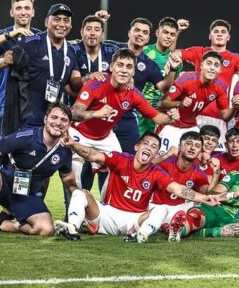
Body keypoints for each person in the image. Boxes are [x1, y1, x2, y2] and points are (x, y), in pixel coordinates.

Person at [56, 132, 220, 242]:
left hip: (135, 221)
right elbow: (92, 155)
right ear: (137, 147)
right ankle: (72, 229)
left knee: (161, 209)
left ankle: (141, 235)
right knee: (80, 194)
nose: (149, 147)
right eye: (146, 144)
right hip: (107, 215)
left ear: (156, 154)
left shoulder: (156, 172)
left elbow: (178, 189)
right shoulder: (120, 159)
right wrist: (73, 145)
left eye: (154, 147)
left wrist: (205, 198)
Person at [0, 103, 77, 237]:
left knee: (47, 229)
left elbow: (68, 180)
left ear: (69, 124)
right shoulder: (27, 136)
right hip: (3, 185)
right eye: (54, 117)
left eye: (63, 120)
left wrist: (82, 198)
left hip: (27, 195)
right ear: (45, 119)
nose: (58, 122)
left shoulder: (65, 150)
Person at [69, 49, 177, 190]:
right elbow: (74, 113)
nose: (124, 70)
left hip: (105, 137)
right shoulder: (95, 83)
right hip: (79, 133)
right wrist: (96, 113)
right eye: (120, 65)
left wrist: (172, 117)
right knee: (75, 172)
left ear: (133, 72)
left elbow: (158, 118)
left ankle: (104, 208)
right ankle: (73, 211)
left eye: (129, 67)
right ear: (111, 67)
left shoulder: (132, 93)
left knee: (120, 170)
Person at [0, 3, 82, 133]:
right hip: (26, 119)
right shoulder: (31, 42)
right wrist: (4, 60)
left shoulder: (71, 51)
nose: (62, 24)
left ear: (70, 25)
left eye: (66, 20)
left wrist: (90, 82)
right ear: (47, 22)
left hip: (52, 122)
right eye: (57, 19)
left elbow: (71, 85)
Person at [107, 18, 180, 153]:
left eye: (145, 32)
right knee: (93, 161)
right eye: (137, 30)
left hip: (127, 115)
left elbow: (164, 88)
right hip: (103, 111)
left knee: (129, 158)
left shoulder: (149, 64)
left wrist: (173, 70)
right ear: (129, 33)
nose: (140, 34)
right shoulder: (110, 49)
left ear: (147, 39)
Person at [168, 152, 239, 239]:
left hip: (235, 223)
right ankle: (178, 231)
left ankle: (201, 232)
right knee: (197, 216)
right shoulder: (236, 176)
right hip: (215, 211)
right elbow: (212, 195)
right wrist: (233, 194)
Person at [0, 0, 42, 138]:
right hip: (6, 103)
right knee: (2, 151)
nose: (23, 12)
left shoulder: (40, 37)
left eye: (27, 8)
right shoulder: (3, 35)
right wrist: (11, 34)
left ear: (33, 12)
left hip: (33, 104)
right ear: (11, 12)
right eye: (18, 8)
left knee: (30, 154)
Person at [158, 51, 233, 156]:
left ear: (220, 69)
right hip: (171, 125)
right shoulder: (187, 79)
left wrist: (238, 105)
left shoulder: (220, 87)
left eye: (216, 65)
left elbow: (225, 116)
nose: (212, 67)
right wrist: (180, 104)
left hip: (191, 127)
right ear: (201, 65)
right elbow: (161, 103)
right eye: (209, 63)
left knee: (196, 161)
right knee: (163, 161)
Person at [150, 131, 215, 238]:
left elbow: (208, 194)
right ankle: (168, 227)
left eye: (197, 146)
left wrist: (215, 172)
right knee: (157, 213)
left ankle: (173, 227)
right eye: (189, 143)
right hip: (156, 207)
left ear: (200, 151)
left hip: (178, 211)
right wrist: (166, 155)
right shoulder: (165, 162)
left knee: (204, 205)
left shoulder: (198, 173)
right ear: (180, 146)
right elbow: (144, 166)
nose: (193, 148)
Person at [139, 17, 188, 137]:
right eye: (165, 32)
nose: (168, 37)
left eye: (172, 34)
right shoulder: (143, 51)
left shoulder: (177, 61)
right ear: (157, 33)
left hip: (162, 113)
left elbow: (172, 89)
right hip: (140, 109)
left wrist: (173, 106)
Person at [176, 19, 239, 86]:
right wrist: (177, 31)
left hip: (221, 100)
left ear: (228, 37)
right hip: (198, 99)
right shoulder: (198, 51)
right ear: (209, 36)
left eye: (223, 32)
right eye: (216, 31)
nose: (219, 34)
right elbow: (173, 53)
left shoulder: (235, 58)